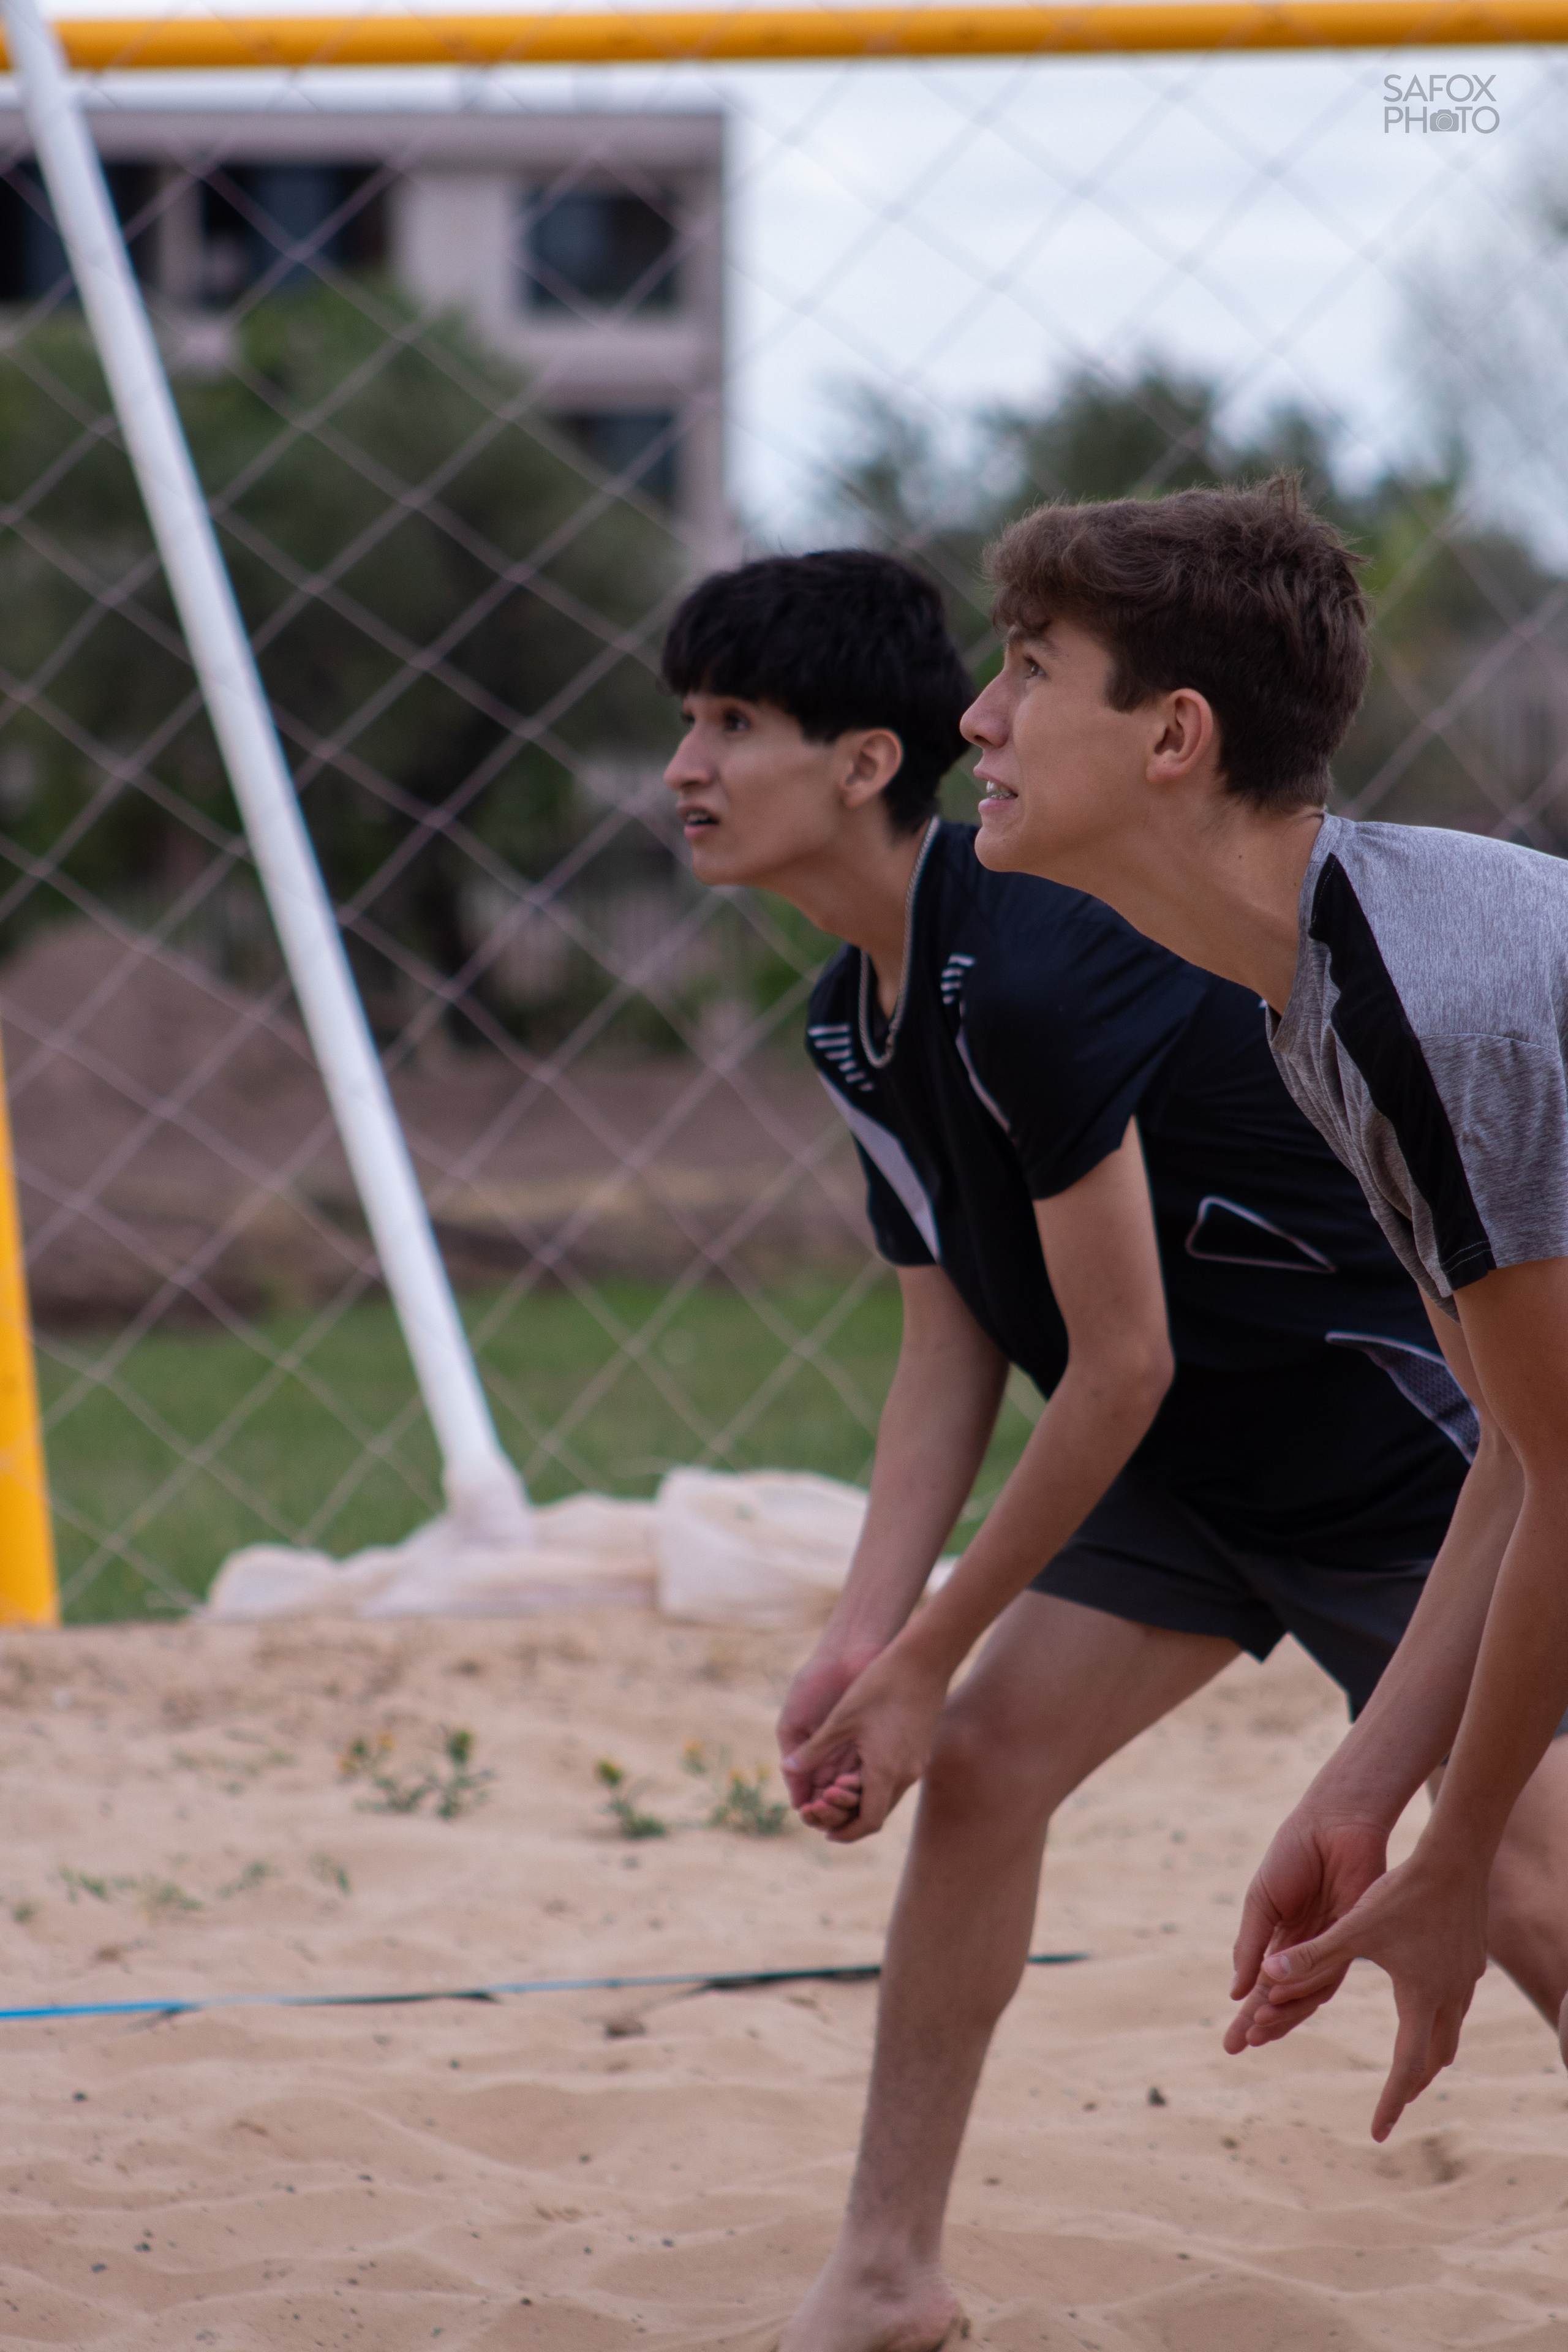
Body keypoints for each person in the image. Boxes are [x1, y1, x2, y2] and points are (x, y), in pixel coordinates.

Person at [659, 547, 1568, 2352]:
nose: (974, 720)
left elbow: (1149, 1365)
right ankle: (884, 2273)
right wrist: (880, 1635)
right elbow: (957, 1330)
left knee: (1530, 1879)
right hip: (1210, 1472)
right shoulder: (917, 1000)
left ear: (1174, 735)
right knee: (989, 1765)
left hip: (1361, 1440)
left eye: (730, 723)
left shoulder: (1281, 983)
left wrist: (1441, 1826)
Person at [961, 480, 1568, 2153]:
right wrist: (1374, 1789)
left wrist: (1455, 1866)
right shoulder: (1318, 987)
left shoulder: (1422, 1003)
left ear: (1173, 736)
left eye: (1028, 668)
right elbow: (1515, 1460)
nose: (978, 715)